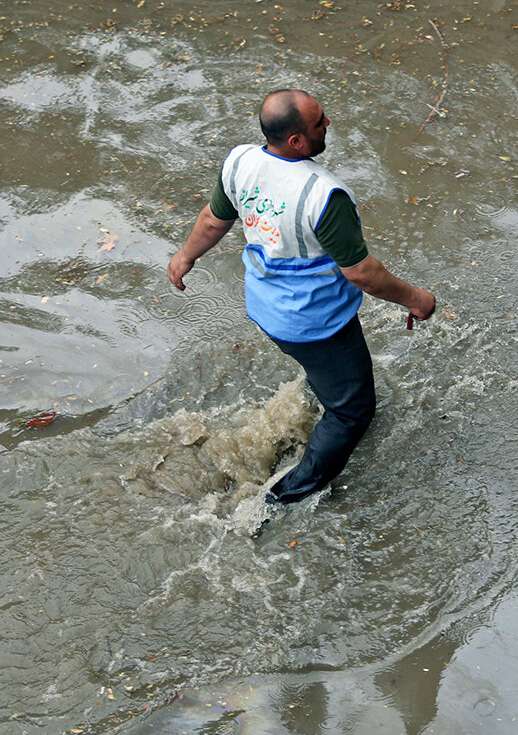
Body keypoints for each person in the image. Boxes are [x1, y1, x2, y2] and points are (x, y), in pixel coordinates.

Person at [168, 89, 437, 505]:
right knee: (352, 413)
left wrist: (184, 257)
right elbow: (363, 273)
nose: (328, 124)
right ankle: (283, 499)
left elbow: (213, 218)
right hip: (316, 324)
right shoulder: (324, 196)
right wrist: (416, 298)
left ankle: (312, 404)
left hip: (265, 307)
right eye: (320, 122)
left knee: (326, 378)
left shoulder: (240, 162)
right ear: (297, 141)